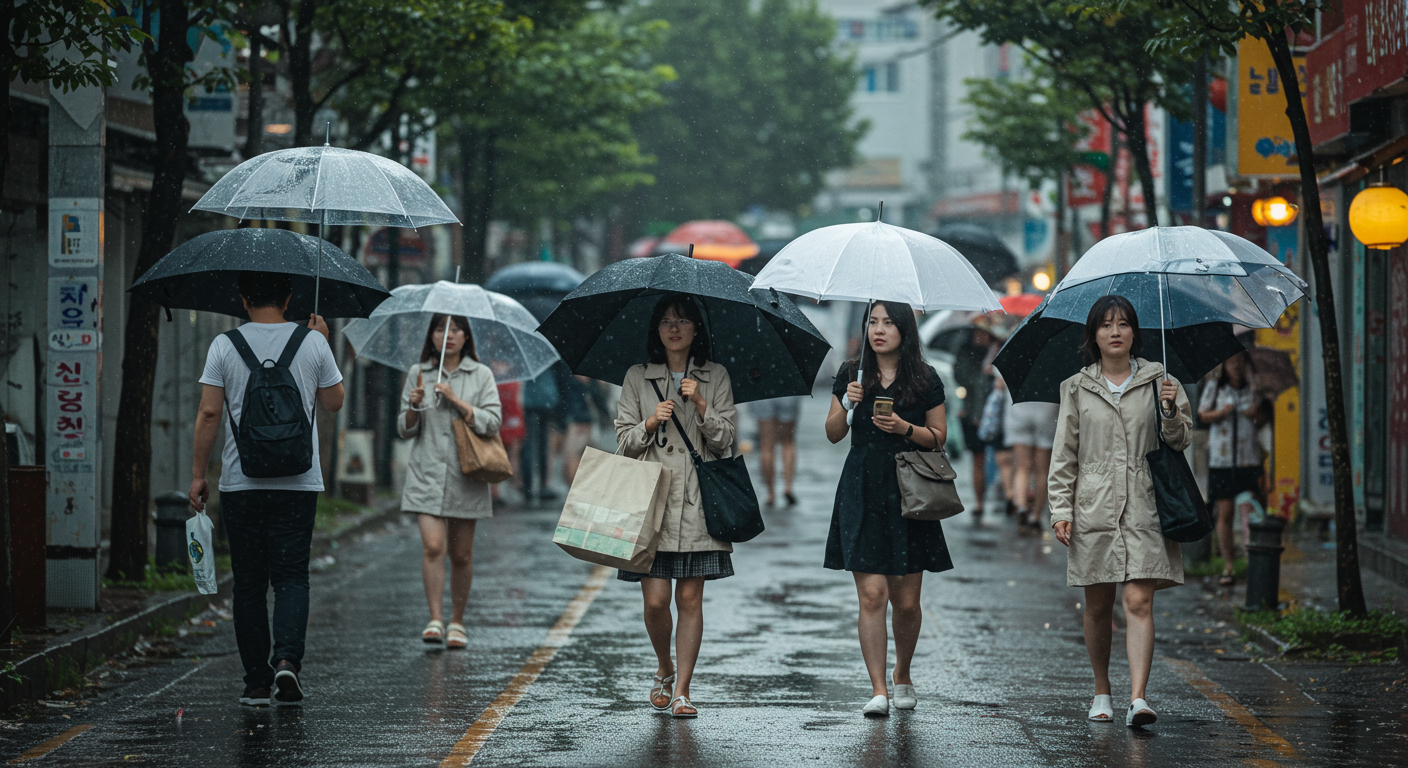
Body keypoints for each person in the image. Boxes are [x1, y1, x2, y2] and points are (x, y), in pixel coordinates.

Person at [189, 271, 344, 708]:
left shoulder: (224, 345)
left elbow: (208, 414)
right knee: (292, 577)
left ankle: (256, 682)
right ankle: (287, 663)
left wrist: (199, 474)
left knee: (249, 583)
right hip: (299, 480)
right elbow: (334, 402)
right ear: (290, 297)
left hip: (242, 481)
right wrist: (324, 341)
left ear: (242, 298)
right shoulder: (312, 342)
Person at [1048, 295, 1192, 728]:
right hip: (1092, 505)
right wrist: (1060, 507)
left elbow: (1181, 440)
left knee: (1137, 598)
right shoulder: (1076, 387)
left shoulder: (1160, 380)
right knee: (1097, 606)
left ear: (1134, 332)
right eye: (1107, 325)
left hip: (1146, 505)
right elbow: (1064, 453)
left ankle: (1138, 697)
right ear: (1094, 334)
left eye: (1124, 324)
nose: (1115, 332)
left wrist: (1168, 410)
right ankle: (1101, 690)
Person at [615, 294, 738, 719]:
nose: (674, 328)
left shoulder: (715, 376)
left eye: (683, 321)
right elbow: (623, 442)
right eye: (667, 321)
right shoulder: (637, 376)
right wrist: (650, 422)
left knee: (690, 598)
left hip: (697, 504)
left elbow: (726, 441)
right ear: (657, 329)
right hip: (651, 504)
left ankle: (683, 689)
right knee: (654, 601)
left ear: (696, 329)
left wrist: (701, 406)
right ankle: (664, 666)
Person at [825, 301, 951, 718]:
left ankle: (903, 673)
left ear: (904, 330)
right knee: (872, 593)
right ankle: (878, 688)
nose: (879, 330)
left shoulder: (925, 377)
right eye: (872, 322)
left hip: (909, 488)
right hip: (862, 483)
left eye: (888, 323)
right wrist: (847, 402)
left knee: (907, 600)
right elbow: (832, 434)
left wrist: (903, 428)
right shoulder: (851, 373)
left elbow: (938, 437)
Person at [399, 315, 502, 649]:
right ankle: (435, 619)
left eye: (456, 329)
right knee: (433, 547)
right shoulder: (419, 374)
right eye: (441, 329)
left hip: (466, 476)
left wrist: (457, 401)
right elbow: (404, 428)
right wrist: (413, 407)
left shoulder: (481, 375)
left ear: (466, 336)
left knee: (461, 555)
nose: (449, 336)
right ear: (431, 336)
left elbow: (492, 422)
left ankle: (457, 621)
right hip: (426, 473)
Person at [1197, 350, 1263, 587]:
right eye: (1231, 361)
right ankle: (1228, 564)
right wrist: (1222, 412)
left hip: (1248, 459)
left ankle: (1254, 558)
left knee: (1251, 511)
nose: (1236, 366)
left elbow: (1262, 417)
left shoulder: (1253, 387)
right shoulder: (1216, 387)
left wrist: (1254, 410)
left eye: (1240, 361)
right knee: (1224, 514)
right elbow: (1203, 414)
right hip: (1222, 461)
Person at [954, 326, 997, 519]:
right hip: (973, 414)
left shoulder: (999, 349)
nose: (981, 337)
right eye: (978, 333)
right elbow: (963, 379)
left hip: (999, 415)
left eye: (985, 333)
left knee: (1004, 458)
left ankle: (1013, 496)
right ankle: (979, 501)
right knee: (978, 458)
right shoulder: (966, 352)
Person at [1005, 394, 1060, 533]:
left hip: (1019, 413)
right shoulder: (1054, 373)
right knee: (1042, 472)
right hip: (1047, 412)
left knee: (1022, 468)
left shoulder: (1017, 372)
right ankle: (1036, 517)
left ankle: (1022, 505)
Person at [752, 396, 801, 506]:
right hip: (787, 391)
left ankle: (770, 493)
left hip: (761, 391)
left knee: (766, 445)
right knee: (788, 441)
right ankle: (788, 487)